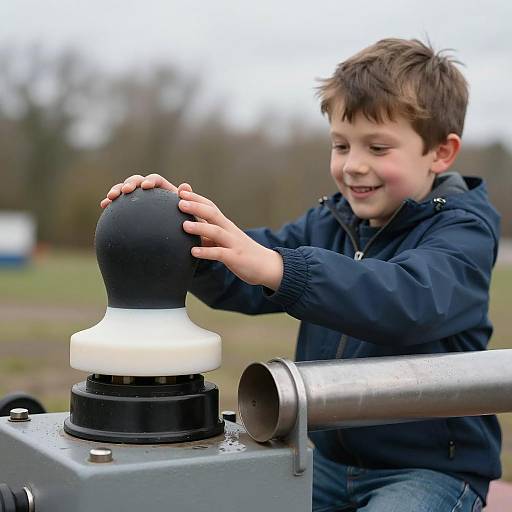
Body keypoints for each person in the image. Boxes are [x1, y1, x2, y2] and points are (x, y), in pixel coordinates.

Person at [100, 38, 501, 511]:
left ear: (441, 152)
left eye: (377, 146)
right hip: (325, 458)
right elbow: (243, 279)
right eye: (340, 144)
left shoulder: (462, 231)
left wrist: (279, 265)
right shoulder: (330, 223)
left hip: (428, 470)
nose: (354, 165)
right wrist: (179, 233)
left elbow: (408, 301)